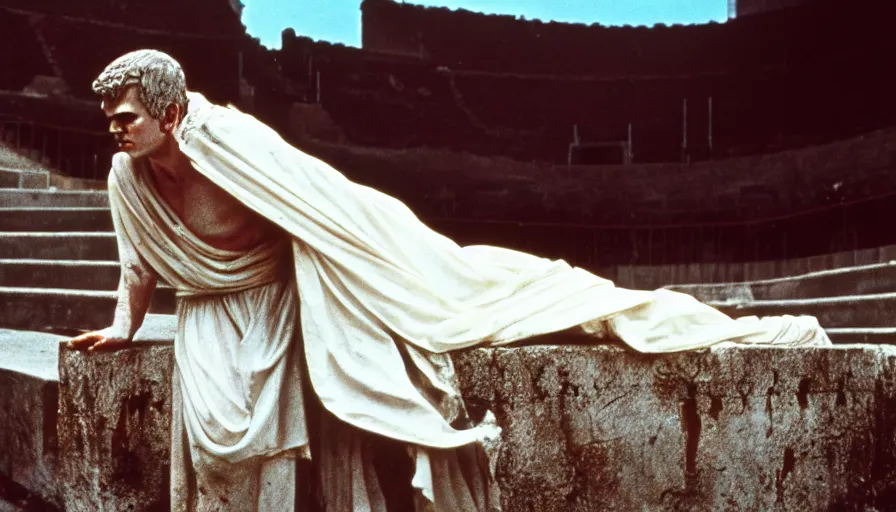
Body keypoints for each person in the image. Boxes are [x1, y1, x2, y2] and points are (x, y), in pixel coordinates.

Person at [67, 49, 831, 512]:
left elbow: (321, 208)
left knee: (483, 294)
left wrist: (359, 287)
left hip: (323, 266)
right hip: (215, 304)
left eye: (127, 115)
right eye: (109, 117)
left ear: (170, 111)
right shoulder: (125, 175)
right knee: (214, 451)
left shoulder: (229, 141)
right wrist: (126, 326)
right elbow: (138, 259)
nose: (116, 128)